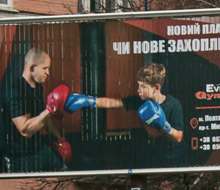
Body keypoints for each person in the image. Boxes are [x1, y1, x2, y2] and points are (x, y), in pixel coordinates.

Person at [59, 63, 187, 168]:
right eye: (138, 85)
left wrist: (163, 125)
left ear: (156, 87)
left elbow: (178, 137)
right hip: (154, 153)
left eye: (143, 87)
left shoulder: (174, 105)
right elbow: (113, 103)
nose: (138, 90)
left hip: (174, 157)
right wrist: (88, 101)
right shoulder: (140, 101)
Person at [0, 47, 70, 173]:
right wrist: (50, 109)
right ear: (32, 68)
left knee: (66, 174)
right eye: (45, 68)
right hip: (19, 157)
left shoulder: (37, 87)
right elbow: (25, 130)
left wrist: (59, 139)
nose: (48, 73)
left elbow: (44, 118)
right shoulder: (15, 91)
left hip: (38, 149)